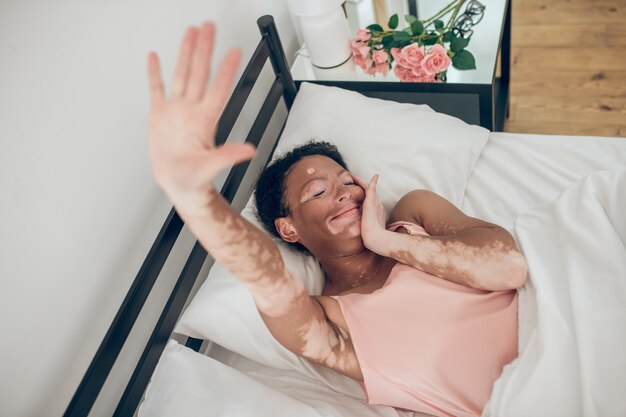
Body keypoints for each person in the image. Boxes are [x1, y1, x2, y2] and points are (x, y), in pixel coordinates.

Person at [147, 22, 528, 417]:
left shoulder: (413, 215)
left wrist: (388, 242)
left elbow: (509, 267)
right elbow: (269, 281)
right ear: (288, 229)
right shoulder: (334, 323)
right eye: (317, 192)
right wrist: (199, 201)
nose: (343, 191)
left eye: (346, 180)